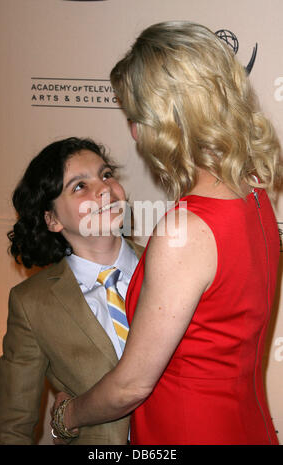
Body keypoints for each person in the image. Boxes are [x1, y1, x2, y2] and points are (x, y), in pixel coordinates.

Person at [50, 21, 282, 445]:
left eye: (136, 117)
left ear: (171, 119)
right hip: (247, 425)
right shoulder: (254, 193)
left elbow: (131, 385)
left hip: (187, 431)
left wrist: (68, 414)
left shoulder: (186, 230)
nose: (134, 133)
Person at [0, 137, 143, 445]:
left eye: (106, 174)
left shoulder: (170, 267)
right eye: (79, 186)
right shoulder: (32, 304)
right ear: (53, 219)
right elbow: (12, 427)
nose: (103, 189)